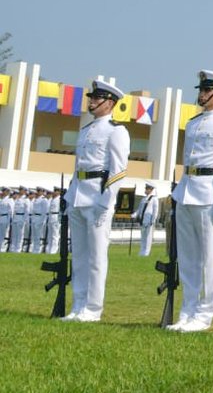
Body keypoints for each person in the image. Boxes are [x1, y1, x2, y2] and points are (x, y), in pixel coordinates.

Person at [168, 70, 213, 332]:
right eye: (200, 89)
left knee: (210, 258)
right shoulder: (193, 123)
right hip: (187, 190)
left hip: (209, 194)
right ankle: (188, 310)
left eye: (207, 90)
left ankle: (204, 313)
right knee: (188, 257)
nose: (201, 94)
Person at [62, 80, 130, 322]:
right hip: (79, 195)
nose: (91, 101)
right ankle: (78, 305)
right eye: (91, 97)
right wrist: (69, 196)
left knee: (96, 257)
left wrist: (106, 202)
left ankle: (92, 309)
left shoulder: (116, 131)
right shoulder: (85, 130)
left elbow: (118, 170)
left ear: (109, 102)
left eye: (96, 98)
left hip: (97, 198)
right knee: (79, 256)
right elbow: (77, 167)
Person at [134, 183, 160, 257]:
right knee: (143, 237)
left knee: (148, 237)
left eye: (147, 188)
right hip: (142, 220)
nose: (145, 190)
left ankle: (146, 252)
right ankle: (142, 251)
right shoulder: (143, 199)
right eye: (145, 188)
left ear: (151, 190)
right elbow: (139, 210)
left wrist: (153, 220)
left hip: (149, 220)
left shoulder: (154, 199)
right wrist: (133, 215)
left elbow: (155, 210)